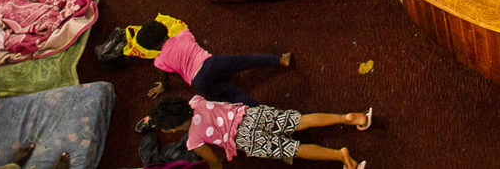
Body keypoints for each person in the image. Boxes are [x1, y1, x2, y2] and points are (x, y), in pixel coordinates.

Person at [144, 94, 371, 169]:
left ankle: (340, 155)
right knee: (300, 121)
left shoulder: (193, 140)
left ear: (173, 128)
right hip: (251, 115)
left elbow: (214, 161)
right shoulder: (196, 101)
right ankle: (349, 117)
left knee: (293, 149)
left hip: (245, 140)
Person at [127, 16, 292, 104]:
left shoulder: (159, 60)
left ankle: (265, 116)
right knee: (245, 61)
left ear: (151, 47)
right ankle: (279, 60)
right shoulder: (183, 35)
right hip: (210, 65)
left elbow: (163, 73)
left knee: (234, 95)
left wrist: (163, 84)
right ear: (164, 30)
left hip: (198, 82)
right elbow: (185, 33)